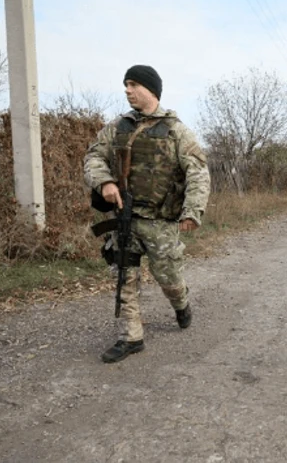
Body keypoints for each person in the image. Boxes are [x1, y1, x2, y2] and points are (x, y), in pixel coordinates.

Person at [84, 65, 210, 362]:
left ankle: (181, 304)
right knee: (124, 277)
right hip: (125, 217)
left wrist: (192, 211)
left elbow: (198, 173)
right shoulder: (118, 126)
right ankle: (131, 337)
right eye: (125, 85)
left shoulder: (176, 130)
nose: (127, 90)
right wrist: (104, 182)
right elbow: (93, 156)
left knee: (168, 276)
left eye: (133, 84)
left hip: (161, 223)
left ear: (150, 89)